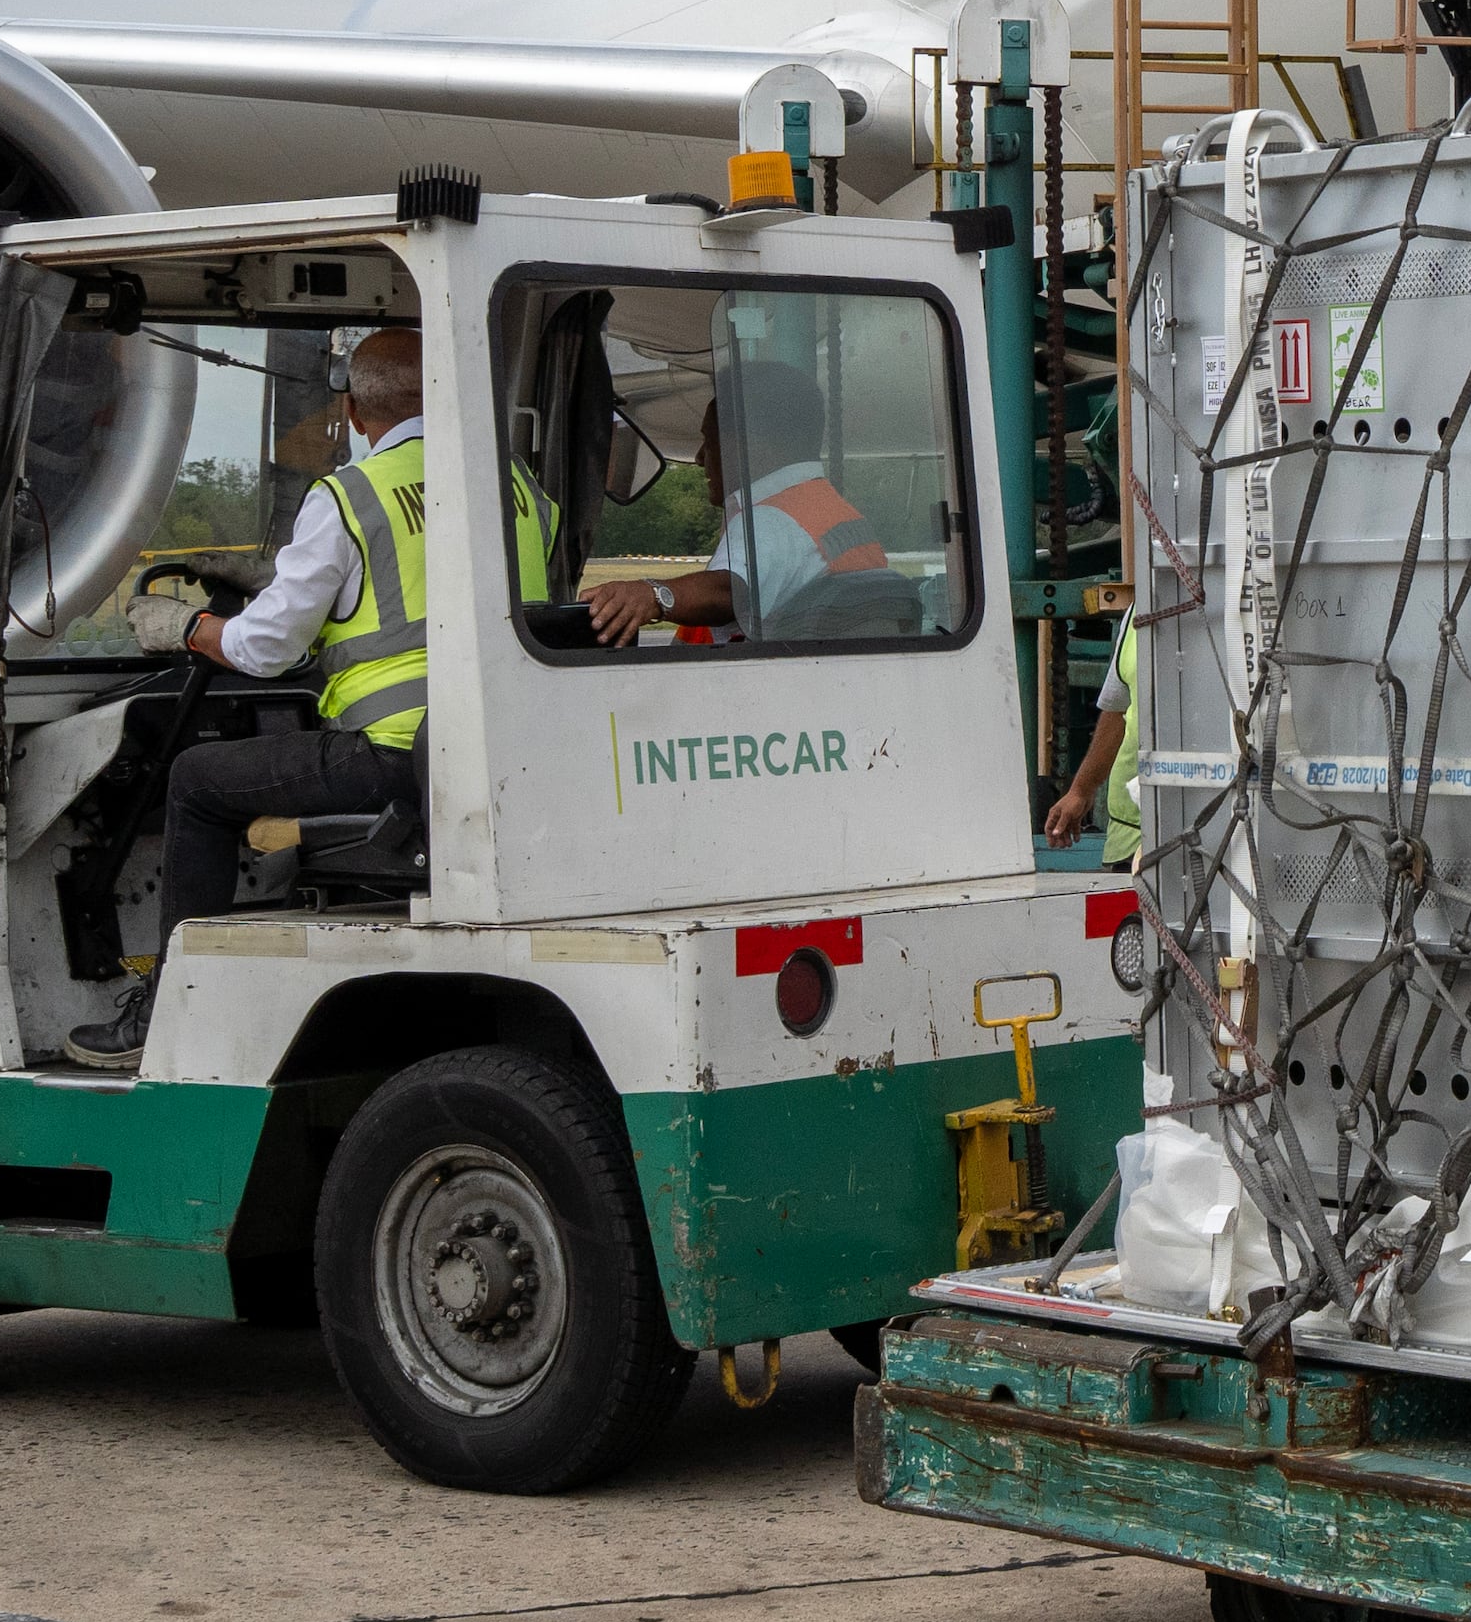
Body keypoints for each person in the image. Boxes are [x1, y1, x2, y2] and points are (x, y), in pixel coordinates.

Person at [67, 327, 557, 1073]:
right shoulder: (517, 487)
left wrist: (188, 627)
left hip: (393, 757)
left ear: (354, 414)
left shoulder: (350, 495)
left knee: (197, 782)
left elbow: (267, 649)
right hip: (500, 757)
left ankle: (169, 1007)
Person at [580, 362, 897, 644]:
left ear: (751, 443)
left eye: (711, 439)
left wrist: (651, 595)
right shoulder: (830, 508)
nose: (700, 457)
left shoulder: (770, 520)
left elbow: (729, 590)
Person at [1040, 630, 1138, 864]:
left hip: (1207, 833)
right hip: (1131, 842)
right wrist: (1081, 790)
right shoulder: (1137, 614)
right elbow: (1117, 708)